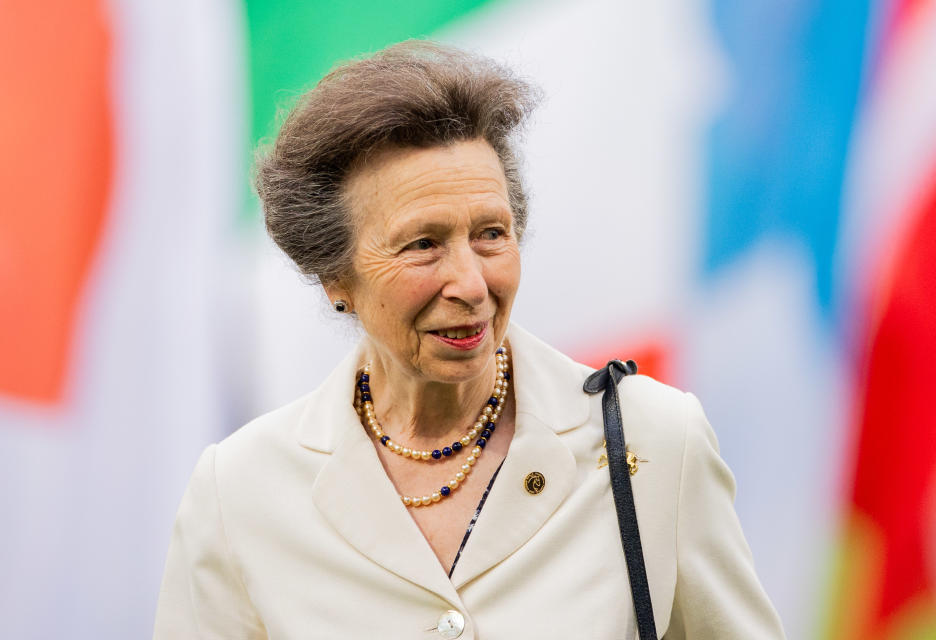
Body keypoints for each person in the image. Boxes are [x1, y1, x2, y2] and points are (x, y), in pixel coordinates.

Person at [153, 41, 786, 639]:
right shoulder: (238, 491)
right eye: (423, 244)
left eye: (490, 233)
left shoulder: (651, 442)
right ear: (333, 276)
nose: (471, 282)